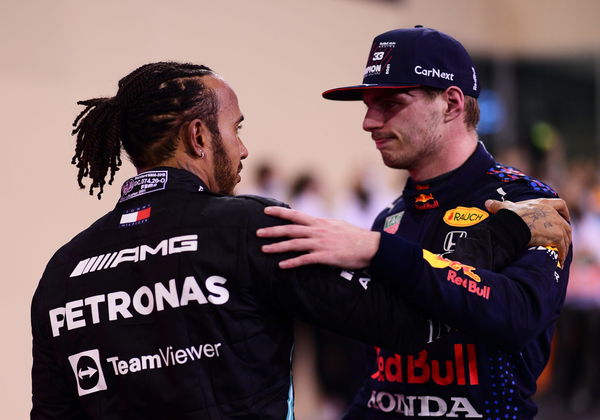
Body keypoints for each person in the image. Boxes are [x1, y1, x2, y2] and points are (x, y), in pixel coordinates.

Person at [30, 62, 568, 420]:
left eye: (389, 102)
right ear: (198, 137)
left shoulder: (61, 270)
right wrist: (501, 236)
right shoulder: (251, 228)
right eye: (236, 128)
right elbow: (410, 325)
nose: (242, 151)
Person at [257, 27, 573, 419]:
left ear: (452, 103)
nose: (369, 122)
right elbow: (383, 371)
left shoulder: (530, 202)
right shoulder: (389, 218)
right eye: (368, 104)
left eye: (390, 103)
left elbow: (518, 317)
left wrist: (378, 251)